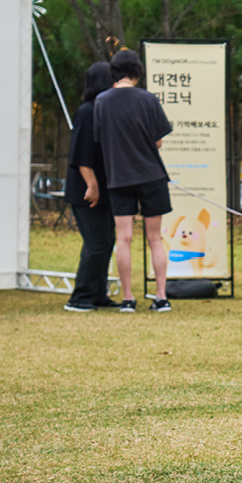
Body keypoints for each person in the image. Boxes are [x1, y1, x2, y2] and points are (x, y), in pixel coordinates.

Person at [94, 50, 175, 313]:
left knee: (124, 238)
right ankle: (161, 296)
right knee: (155, 238)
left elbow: (100, 139)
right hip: (152, 175)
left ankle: (128, 298)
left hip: (119, 177)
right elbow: (159, 141)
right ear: (137, 72)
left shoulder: (102, 101)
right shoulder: (149, 99)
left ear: (114, 72)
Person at [61, 62, 120, 313]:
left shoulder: (106, 111)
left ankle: (98, 293)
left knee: (107, 242)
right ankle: (80, 297)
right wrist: (92, 185)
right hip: (87, 190)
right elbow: (81, 155)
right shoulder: (87, 111)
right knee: (96, 243)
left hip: (106, 189)